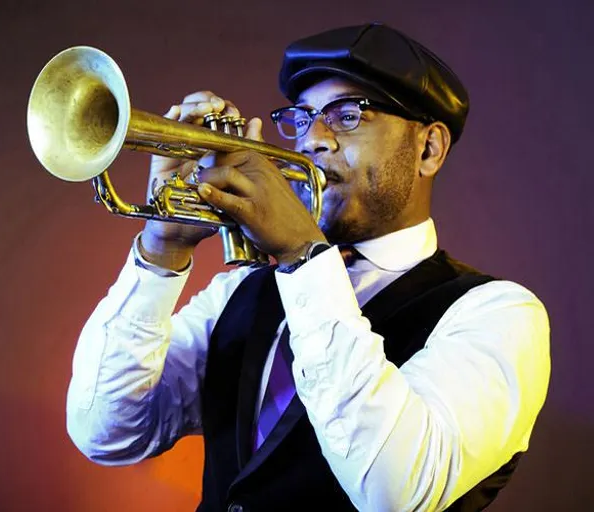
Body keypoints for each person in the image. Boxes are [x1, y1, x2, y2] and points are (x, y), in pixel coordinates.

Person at [65, 23, 550, 511]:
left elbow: (394, 490)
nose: (312, 140)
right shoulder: (240, 290)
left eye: (346, 116)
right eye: (301, 117)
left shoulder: (499, 314)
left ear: (428, 149)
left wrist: (303, 253)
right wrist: (161, 248)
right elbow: (106, 431)